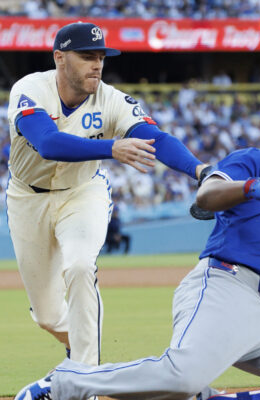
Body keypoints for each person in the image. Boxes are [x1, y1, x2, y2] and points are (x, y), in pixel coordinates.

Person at [15, 104, 260, 400]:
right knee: (183, 377)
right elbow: (206, 194)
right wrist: (251, 187)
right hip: (224, 289)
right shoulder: (256, 161)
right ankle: (66, 383)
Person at [6, 21, 207, 368]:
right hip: (28, 197)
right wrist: (113, 147)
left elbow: (155, 139)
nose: (97, 64)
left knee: (81, 266)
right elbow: (48, 143)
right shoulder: (30, 89)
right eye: (86, 56)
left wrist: (199, 170)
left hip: (82, 193)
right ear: (59, 58)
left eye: (100, 57)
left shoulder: (111, 99)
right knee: (48, 316)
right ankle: (79, 344)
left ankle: (88, 381)